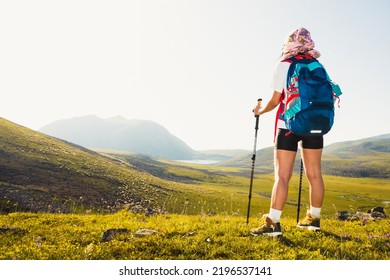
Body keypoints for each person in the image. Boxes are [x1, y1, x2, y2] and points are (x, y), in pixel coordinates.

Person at [251, 27, 325, 237]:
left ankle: (272, 223)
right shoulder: (316, 64)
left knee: (282, 176)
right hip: (314, 124)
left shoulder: (283, 64)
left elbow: (275, 101)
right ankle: (314, 219)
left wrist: (260, 112)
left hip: (288, 125)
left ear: (288, 42)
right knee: (314, 174)